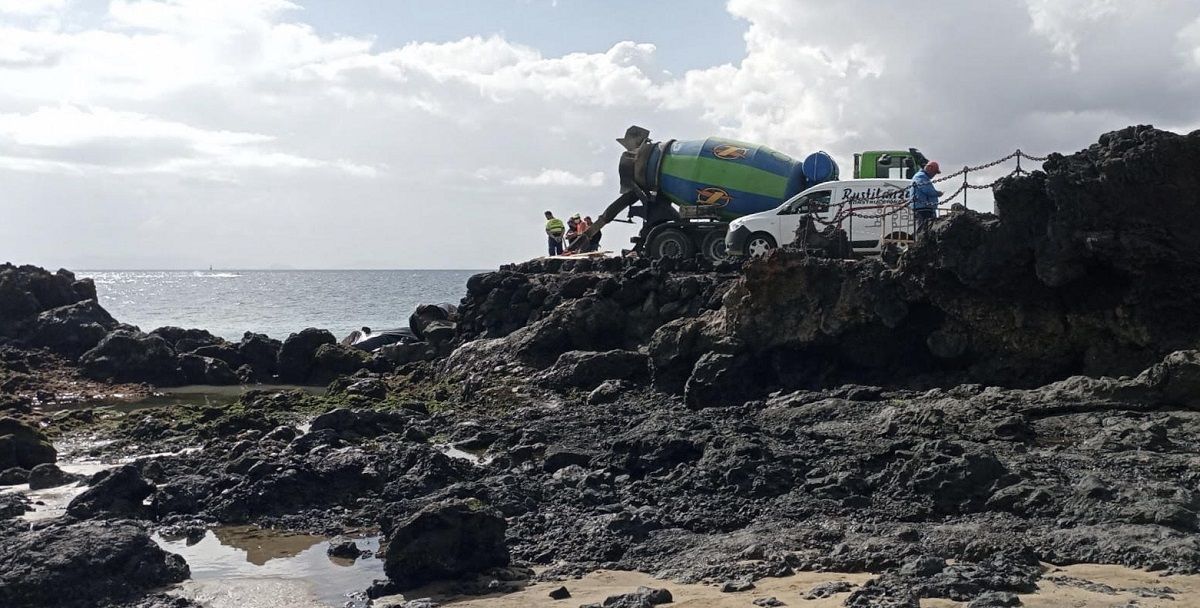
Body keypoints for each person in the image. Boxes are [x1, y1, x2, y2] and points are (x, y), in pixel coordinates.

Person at [910, 161, 942, 235]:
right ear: (929, 168)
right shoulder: (921, 176)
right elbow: (926, 189)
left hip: (925, 208)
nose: (934, 174)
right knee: (923, 229)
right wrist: (937, 193)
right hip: (923, 208)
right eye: (934, 172)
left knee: (925, 229)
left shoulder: (922, 177)